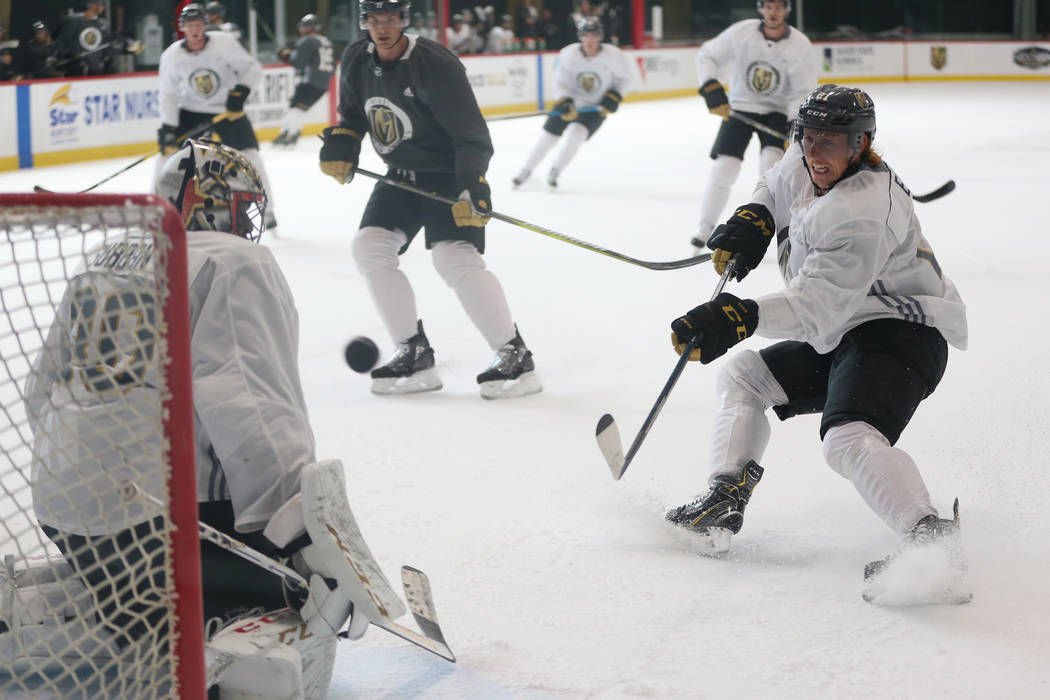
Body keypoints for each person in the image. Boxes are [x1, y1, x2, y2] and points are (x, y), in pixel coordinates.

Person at [664, 85, 969, 598]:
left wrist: (740, 316)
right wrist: (755, 217)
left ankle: (932, 543)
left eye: (832, 140)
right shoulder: (805, 160)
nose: (814, 150)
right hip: (847, 327)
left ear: (862, 143)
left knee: (846, 437)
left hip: (904, 330)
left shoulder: (861, 210)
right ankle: (724, 495)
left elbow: (816, 306)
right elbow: (775, 181)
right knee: (743, 376)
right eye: (808, 136)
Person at [319, 0, 541, 399]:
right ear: (363, 22)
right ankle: (413, 349)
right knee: (369, 247)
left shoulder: (433, 62)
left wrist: (473, 183)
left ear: (403, 20)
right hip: (400, 175)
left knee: (452, 257)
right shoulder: (355, 58)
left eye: (390, 19)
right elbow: (353, 115)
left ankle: (514, 354)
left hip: (447, 174)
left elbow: (471, 132)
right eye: (374, 20)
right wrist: (343, 143)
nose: (382, 27)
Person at [690, 0, 816, 252]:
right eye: (768, 6)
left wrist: (794, 121)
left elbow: (803, 89)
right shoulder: (741, 32)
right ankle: (705, 227)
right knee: (725, 165)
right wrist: (711, 88)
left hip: (777, 113)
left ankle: (765, 230)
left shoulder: (800, 44)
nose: (772, 12)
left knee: (770, 168)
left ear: (786, 10)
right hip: (740, 108)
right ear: (760, 8)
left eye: (778, 7)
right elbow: (707, 55)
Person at [156, 3, 278, 230]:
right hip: (191, 111)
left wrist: (240, 91)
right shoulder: (171, 55)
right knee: (167, 157)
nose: (194, 31)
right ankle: (157, 209)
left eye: (199, 25)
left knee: (251, 157)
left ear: (206, 25)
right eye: (190, 26)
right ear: (182, 27)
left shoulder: (224, 43)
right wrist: (168, 128)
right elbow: (168, 94)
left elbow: (253, 69)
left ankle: (267, 209)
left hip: (227, 110)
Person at [511, 17, 632, 189]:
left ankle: (555, 170)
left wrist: (613, 98)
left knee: (576, 136)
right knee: (548, 139)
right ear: (580, 36)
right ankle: (526, 171)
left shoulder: (613, 55)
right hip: (569, 103)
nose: (590, 40)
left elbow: (625, 79)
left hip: (595, 107)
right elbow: (560, 81)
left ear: (600, 36)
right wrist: (566, 102)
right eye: (586, 35)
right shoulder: (568, 53)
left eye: (594, 35)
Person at [274, 14, 335, 147]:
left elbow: (298, 62)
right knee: (295, 107)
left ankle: (291, 134)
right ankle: (285, 132)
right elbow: (332, 64)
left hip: (310, 81)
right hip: (323, 83)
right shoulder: (325, 41)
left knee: (295, 108)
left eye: (305, 26)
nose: (302, 28)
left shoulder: (306, 40)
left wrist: (286, 55)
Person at [52, 0, 117, 76]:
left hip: (96, 71)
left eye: (102, 4)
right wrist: (59, 58)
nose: (102, 6)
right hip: (75, 71)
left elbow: (107, 48)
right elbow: (62, 43)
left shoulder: (103, 24)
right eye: (100, 3)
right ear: (91, 5)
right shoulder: (74, 20)